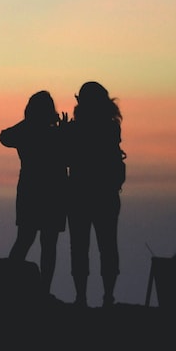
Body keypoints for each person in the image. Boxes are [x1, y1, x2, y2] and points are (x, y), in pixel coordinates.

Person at [0, 91, 67, 293]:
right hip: (53, 192)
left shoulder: (26, 132)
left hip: (31, 190)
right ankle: (43, 289)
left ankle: (9, 284)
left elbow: (5, 136)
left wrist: (29, 123)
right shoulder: (55, 134)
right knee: (47, 243)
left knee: (26, 239)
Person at [65, 80, 125, 306]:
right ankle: (108, 297)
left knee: (79, 247)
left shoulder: (77, 128)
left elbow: (67, 158)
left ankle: (81, 297)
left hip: (79, 193)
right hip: (106, 194)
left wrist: (65, 132)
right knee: (108, 245)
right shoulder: (111, 127)